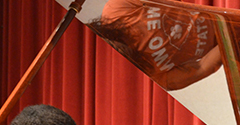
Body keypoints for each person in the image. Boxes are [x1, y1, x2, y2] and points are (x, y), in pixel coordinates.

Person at [88, 0, 223, 91]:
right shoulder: (147, 74)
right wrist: (231, 40)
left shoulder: (117, 9)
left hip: (219, 12)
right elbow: (201, 68)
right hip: (228, 40)